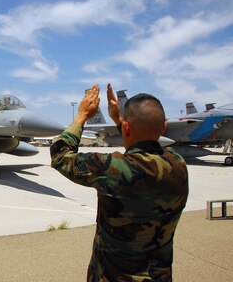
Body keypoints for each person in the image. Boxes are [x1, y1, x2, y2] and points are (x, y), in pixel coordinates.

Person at [50, 84, 189, 281]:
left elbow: (60, 155)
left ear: (126, 128)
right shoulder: (178, 165)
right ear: (164, 127)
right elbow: (141, 143)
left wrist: (81, 115)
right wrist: (119, 120)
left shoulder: (111, 168)